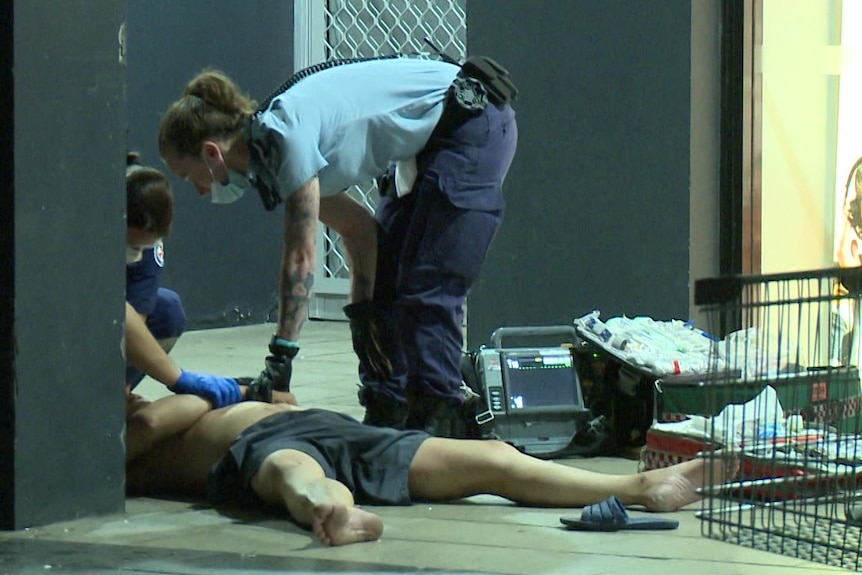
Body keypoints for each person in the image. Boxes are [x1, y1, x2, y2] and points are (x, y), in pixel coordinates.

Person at [157, 54, 518, 437]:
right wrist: (366, 318)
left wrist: (281, 358)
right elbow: (360, 230)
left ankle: (441, 413)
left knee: (428, 284)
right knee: (389, 274)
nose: (197, 189)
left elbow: (301, 259)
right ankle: (389, 407)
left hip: (472, 121)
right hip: (430, 140)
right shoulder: (274, 157)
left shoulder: (285, 139)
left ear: (212, 153)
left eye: (188, 176)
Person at [126, 392, 729, 547]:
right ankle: (330, 511)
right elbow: (170, 414)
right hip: (261, 443)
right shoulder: (131, 439)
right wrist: (186, 387)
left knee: (491, 457)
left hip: (325, 427)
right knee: (295, 473)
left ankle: (640, 484)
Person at [125, 152, 286, 407]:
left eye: (143, 247)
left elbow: (133, 326)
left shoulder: (147, 246)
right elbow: (116, 313)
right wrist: (178, 379)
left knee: (167, 310)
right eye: (131, 245)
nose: (136, 256)